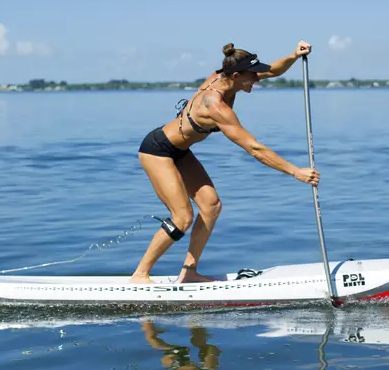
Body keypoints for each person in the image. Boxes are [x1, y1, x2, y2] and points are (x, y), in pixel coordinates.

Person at [132, 40, 320, 284]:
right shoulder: (216, 106)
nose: (256, 80)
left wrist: (294, 56)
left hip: (180, 151)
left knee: (211, 206)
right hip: (157, 151)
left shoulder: (229, 77)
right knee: (182, 217)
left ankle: (189, 272)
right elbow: (254, 148)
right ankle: (140, 274)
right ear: (236, 75)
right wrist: (296, 172)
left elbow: (273, 70)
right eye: (251, 77)